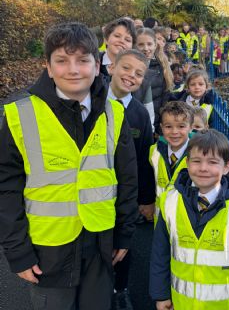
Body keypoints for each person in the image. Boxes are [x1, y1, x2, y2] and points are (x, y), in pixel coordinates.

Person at [0, 22, 138, 310]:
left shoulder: (114, 114)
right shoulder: (19, 115)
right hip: (47, 251)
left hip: (101, 244)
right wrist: (18, 251)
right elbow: (6, 188)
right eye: (62, 60)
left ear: (97, 65)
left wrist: (124, 233)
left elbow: (127, 178)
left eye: (83, 60)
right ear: (48, 67)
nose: (73, 70)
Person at [149, 130, 229, 310]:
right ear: (187, 163)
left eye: (212, 162)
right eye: (196, 161)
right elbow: (160, 253)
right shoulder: (171, 201)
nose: (203, 168)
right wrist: (161, 295)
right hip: (182, 304)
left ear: (227, 167)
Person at [107, 49, 155, 308]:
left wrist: (146, 199)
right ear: (111, 67)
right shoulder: (91, 102)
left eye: (138, 73)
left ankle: (120, 288)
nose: (130, 76)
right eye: (126, 68)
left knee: (123, 241)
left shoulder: (139, 114)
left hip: (125, 193)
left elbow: (145, 159)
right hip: (94, 188)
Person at [149, 101, 194, 222]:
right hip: (160, 218)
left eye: (181, 126)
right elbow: (149, 179)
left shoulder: (199, 155)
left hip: (186, 220)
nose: (174, 132)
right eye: (168, 126)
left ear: (191, 127)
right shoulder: (154, 151)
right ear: (161, 127)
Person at [135, 27, 173, 135]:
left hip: (155, 123)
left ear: (155, 45)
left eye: (149, 44)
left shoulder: (162, 66)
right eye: (141, 44)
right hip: (136, 121)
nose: (146, 48)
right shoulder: (130, 66)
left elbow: (165, 96)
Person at [99, 17, 136, 82]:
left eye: (127, 40)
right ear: (106, 39)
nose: (122, 41)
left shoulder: (135, 71)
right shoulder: (93, 62)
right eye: (117, 36)